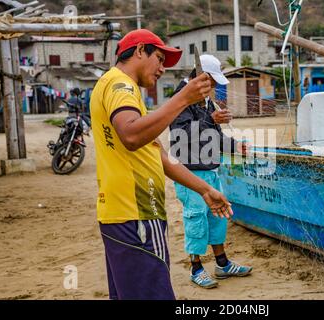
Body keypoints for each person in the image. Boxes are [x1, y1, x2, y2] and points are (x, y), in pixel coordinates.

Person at [90, 29, 234, 300]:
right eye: (159, 58)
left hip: (123, 213)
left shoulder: (118, 88)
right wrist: (183, 99)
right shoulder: (121, 85)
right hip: (138, 213)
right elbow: (131, 135)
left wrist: (204, 189)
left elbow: (157, 154)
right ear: (140, 51)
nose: (162, 68)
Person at [170, 54, 252, 289]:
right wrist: (211, 118)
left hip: (210, 169)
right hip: (190, 172)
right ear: (200, 76)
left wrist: (236, 146)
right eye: (211, 81)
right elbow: (181, 134)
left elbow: (214, 136)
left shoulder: (205, 101)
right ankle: (196, 268)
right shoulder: (181, 99)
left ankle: (222, 264)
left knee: (218, 216)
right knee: (195, 218)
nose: (214, 87)